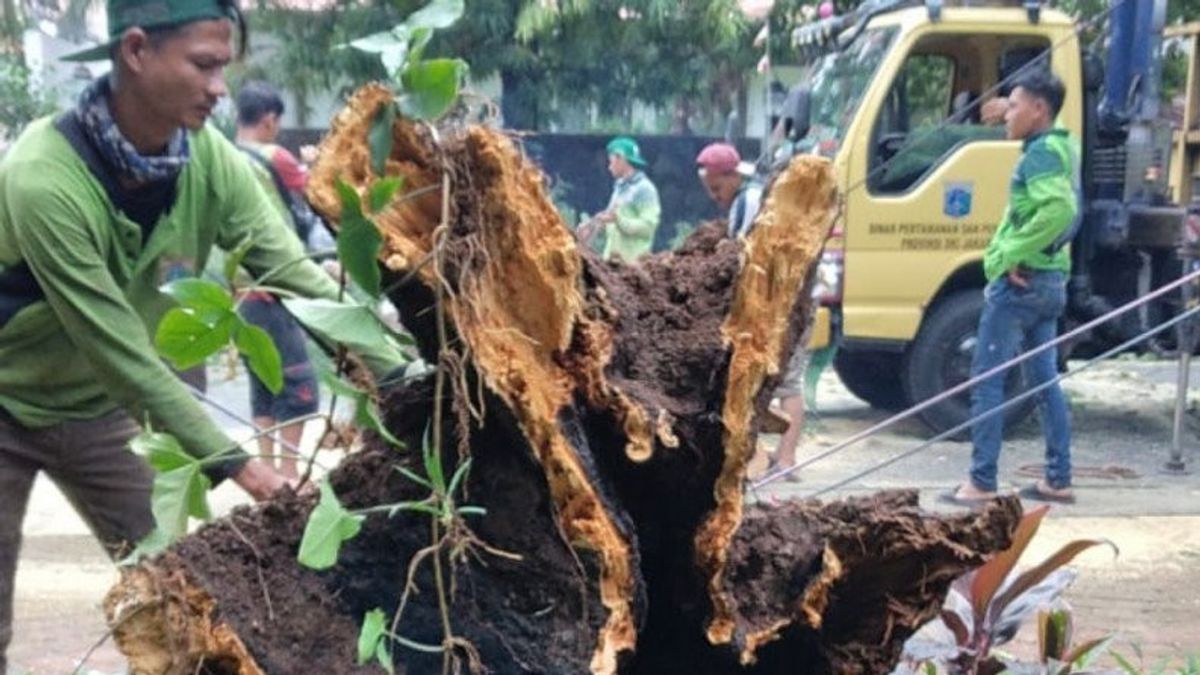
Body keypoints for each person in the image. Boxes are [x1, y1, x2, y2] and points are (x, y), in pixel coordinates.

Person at [0, 0, 385, 668]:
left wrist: (404, 371)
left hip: (97, 414)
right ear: (138, 51)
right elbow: (124, 356)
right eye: (204, 65)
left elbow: (295, 276)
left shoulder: (209, 162)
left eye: (224, 68)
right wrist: (247, 470)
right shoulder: (44, 176)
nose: (220, 88)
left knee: (186, 608)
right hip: (8, 404)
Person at [945, 70, 1079, 507]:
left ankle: (981, 481)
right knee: (1044, 380)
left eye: (1016, 104)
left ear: (1039, 109)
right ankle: (1058, 479)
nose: (1008, 112)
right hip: (1051, 280)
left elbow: (1058, 211)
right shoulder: (1062, 145)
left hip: (1022, 283)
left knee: (986, 380)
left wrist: (1006, 256)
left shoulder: (1041, 155)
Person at [695, 142, 809, 483]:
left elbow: (742, 256)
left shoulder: (750, 200)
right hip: (776, 298)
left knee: (787, 380)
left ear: (731, 177)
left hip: (789, 300)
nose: (715, 196)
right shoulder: (746, 198)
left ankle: (787, 460)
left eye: (717, 187)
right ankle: (768, 454)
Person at [234, 81, 322, 479]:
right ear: (269, 120)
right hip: (275, 289)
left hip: (239, 294)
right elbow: (320, 193)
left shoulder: (225, 157)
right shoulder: (276, 157)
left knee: (264, 387)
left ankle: (268, 473)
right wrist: (316, 163)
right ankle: (288, 478)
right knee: (298, 387)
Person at [580, 136, 661, 262]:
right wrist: (592, 227)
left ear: (621, 158)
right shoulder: (619, 187)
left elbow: (648, 228)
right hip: (613, 266)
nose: (609, 167)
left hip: (633, 268)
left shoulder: (645, 189)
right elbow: (611, 219)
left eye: (610, 161)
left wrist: (619, 220)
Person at [695, 142, 763, 239]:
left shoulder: (746, 202)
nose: (713, 196)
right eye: (709, 190)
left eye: (716, 188)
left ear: (734, 176)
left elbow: (740, 249)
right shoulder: (753, 192)